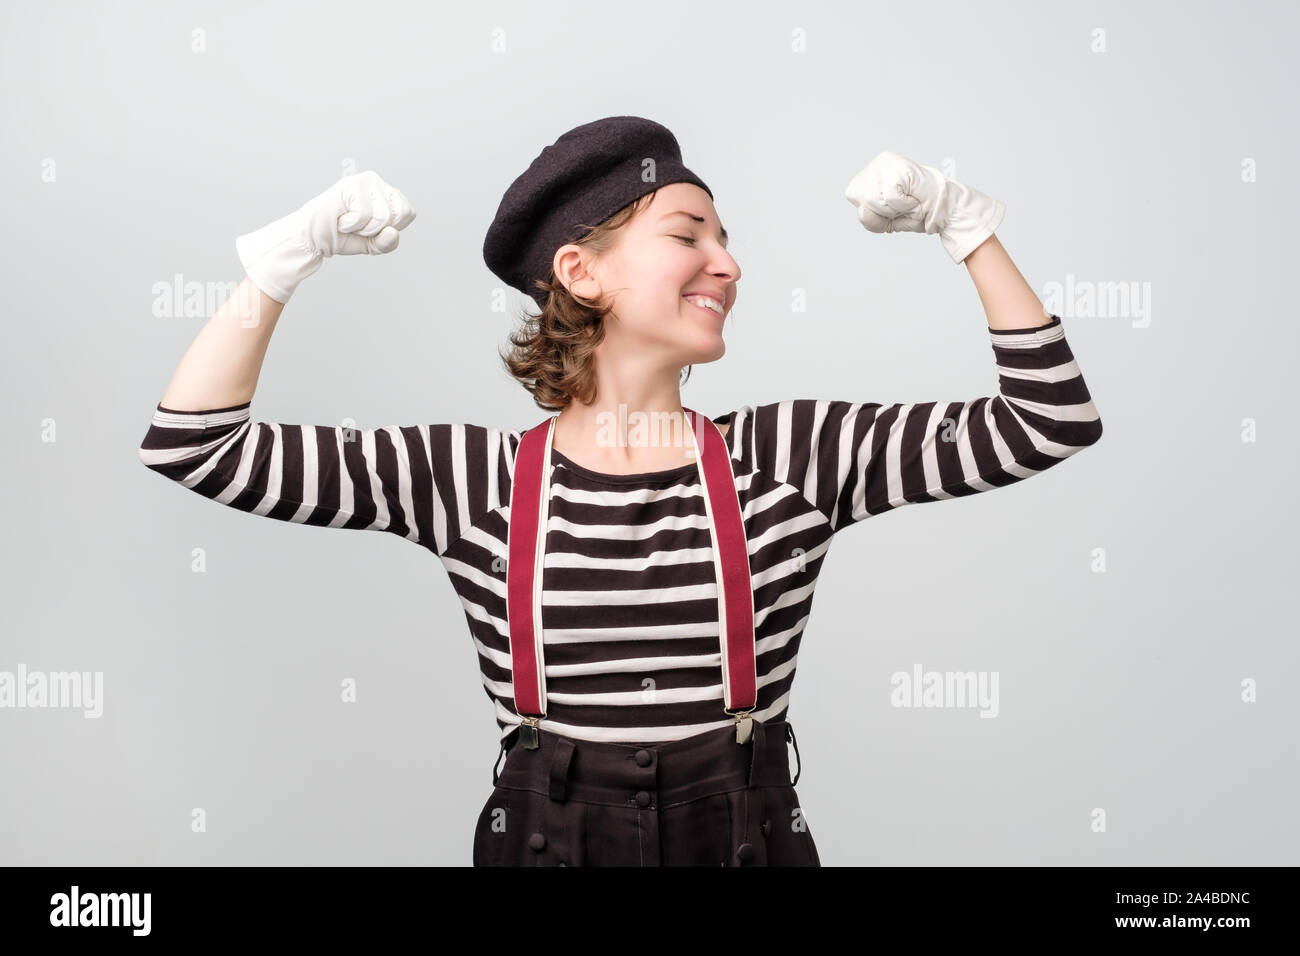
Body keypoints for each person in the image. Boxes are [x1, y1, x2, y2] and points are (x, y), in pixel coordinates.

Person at [138, 116, 1103, 866]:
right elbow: (196, 445)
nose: (728, 262)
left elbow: (1048, 420)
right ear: (581, 270)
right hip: (549, 843)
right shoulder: (469, 481)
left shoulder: (793, 455)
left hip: (744, 840)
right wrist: (279, 263)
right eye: (690, 234)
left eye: (727, 238)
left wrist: (968, 229)